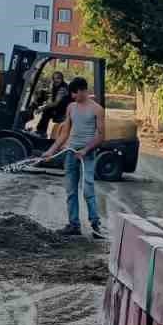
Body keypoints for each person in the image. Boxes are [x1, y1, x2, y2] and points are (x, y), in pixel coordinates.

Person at [40, 76, 105, 238]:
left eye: (75, 94)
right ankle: (74, 225)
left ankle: (95, 224)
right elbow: (65, 133)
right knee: (70, 190)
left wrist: (85, 150)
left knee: (88, 188)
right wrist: (51, 150)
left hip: (87, 154)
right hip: (70, 152)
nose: (73, 97)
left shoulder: (97, 109)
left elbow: (101, 136)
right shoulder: (71, 107)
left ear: (83, 91)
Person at [36, 71, 70, 136]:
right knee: (47, 110)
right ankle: (41, 131)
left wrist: (42, 108)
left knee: (47, 111)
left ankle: (41, 132)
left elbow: (55, 103)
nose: (56, 80)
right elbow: (51, 99)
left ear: (62, 78)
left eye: (58, 78)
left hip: (63, 110)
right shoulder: (54, 86)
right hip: (59, 108)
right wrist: (45, 104)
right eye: (54, 78)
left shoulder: (63, 88)